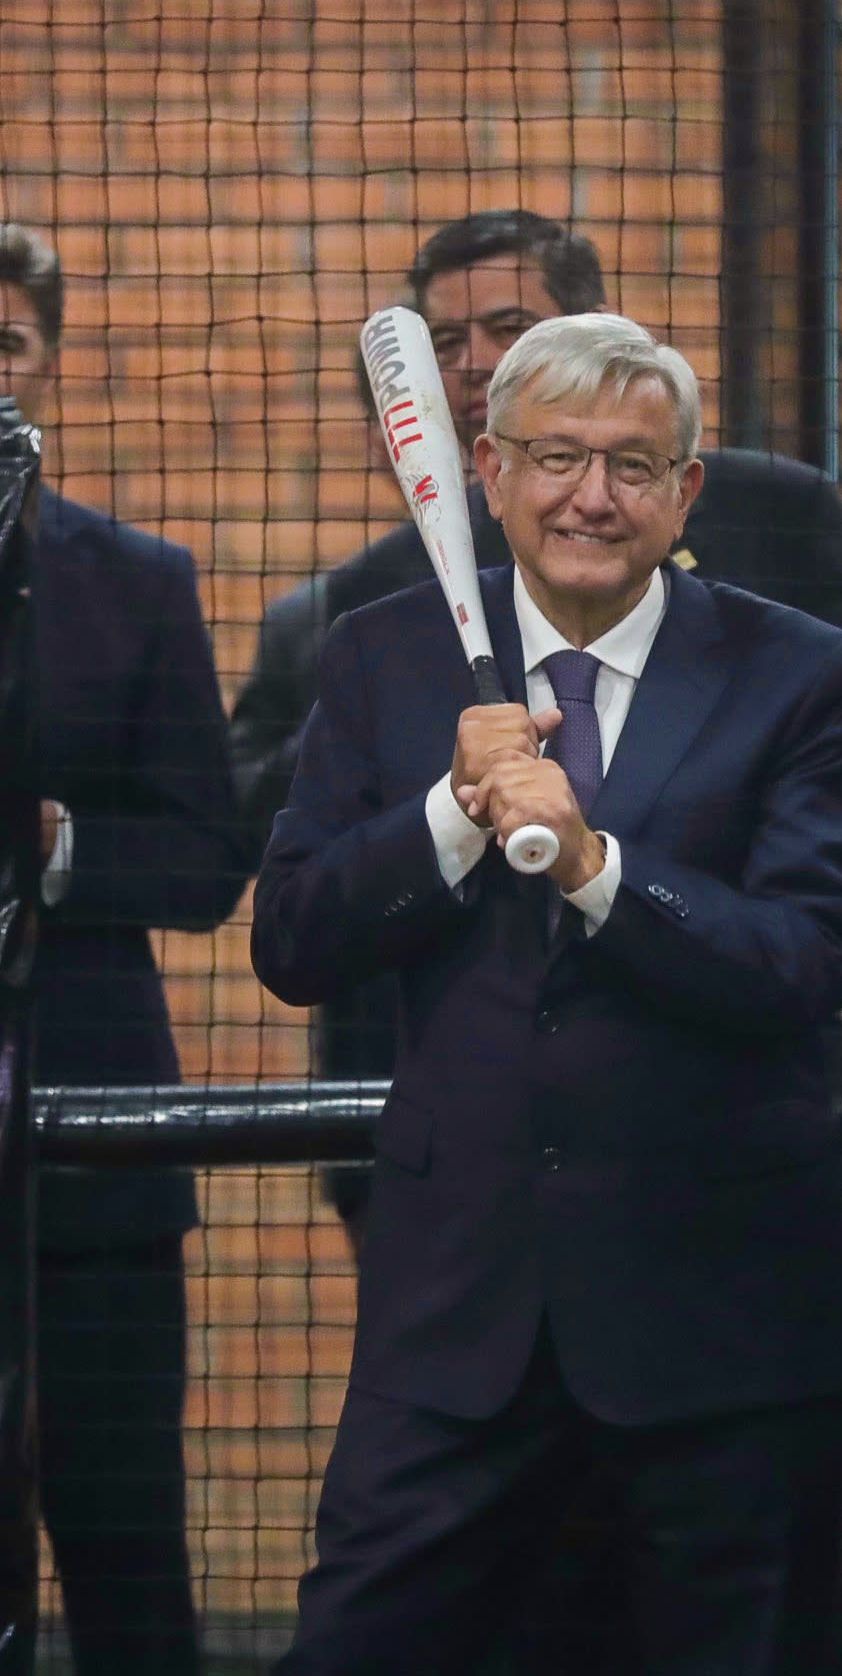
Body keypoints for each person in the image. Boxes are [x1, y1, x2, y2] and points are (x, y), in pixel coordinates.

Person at [251, 312, 842, 1675]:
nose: (591, 495)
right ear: (487, 469)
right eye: (555, 456)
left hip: (722, 1326)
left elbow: (805, 959)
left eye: (634, 465)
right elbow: (294, 937)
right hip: (457, 1316)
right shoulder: (377, 654)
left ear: (686, 491)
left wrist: (596, 864)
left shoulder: (804, 674)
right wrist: (450, 810)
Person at [230, 206, 842, 1247]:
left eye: (507, 324)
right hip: (459, 1174)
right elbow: (289, 874)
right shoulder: (373, 607)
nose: (474, 358)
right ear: (491, 464)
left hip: (724, 1139)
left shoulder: (766, 517)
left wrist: (773, 949)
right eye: (446, 342)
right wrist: (453, 807)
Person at [0, 222, 245, 1674]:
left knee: (121, 1540)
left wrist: (56, 846)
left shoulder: (136, 579)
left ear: (47, 367)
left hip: (91, 1157)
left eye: (5, 348)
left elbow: (211, 858)